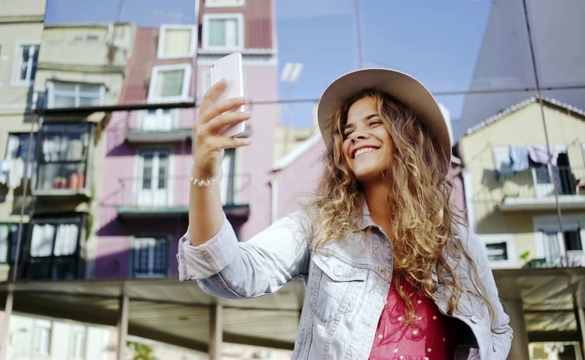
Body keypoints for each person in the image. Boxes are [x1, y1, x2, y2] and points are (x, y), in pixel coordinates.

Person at [178, 68, 513, 359]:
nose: (356, 135)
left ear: (408, 137)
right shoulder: (318, 226)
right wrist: (204, 175)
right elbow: (233, 273)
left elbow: (498, 330)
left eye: (374, 122)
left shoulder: (461, 246)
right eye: (348, 131)